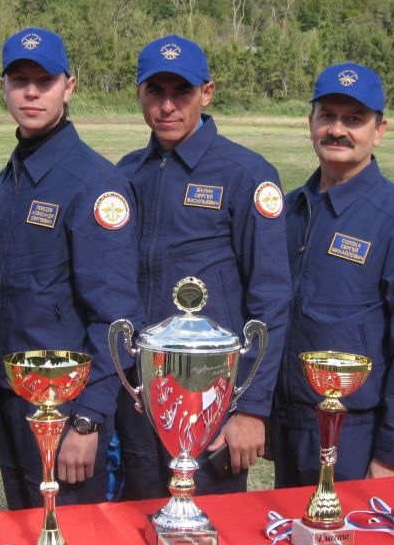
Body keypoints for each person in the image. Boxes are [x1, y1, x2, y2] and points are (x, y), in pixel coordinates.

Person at [115, 35, 291, 500]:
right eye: (156, 91)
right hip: (142, 394)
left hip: (211, 402)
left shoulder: (246, 173)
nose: (167, 106)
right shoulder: (125, 174)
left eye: (182, 92)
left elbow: (271, 298)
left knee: (211, 543)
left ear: (207, 93)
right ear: (138, 93)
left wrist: (251, 409)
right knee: (137, 528)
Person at [0, 26, 143, 509]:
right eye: (19, 80)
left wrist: (89, 419)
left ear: (69, 86)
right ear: (5, 87)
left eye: (45, 81)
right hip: (12, 397)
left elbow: (115, 319)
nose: (31, 92)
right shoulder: (8, 180)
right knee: (25, 533)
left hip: (66, 407)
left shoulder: (93, 183)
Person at [272, 62, 394, 485]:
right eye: (327, 116)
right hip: (289, 423)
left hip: (355, 433)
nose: (337, 130)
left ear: (379, 131)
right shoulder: (288, 211)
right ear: (310, 122)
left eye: (354, 120)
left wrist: (393, 452)